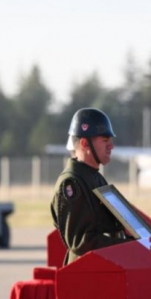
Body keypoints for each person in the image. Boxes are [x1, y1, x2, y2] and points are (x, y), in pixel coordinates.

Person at [50, 108, 131, 265]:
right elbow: (80, 242)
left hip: (104, 270)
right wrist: (129, 246)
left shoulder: (94, 177)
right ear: (85, 143)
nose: (111, 146)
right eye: (105, 140)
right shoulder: (72, 184)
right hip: (85, 277)